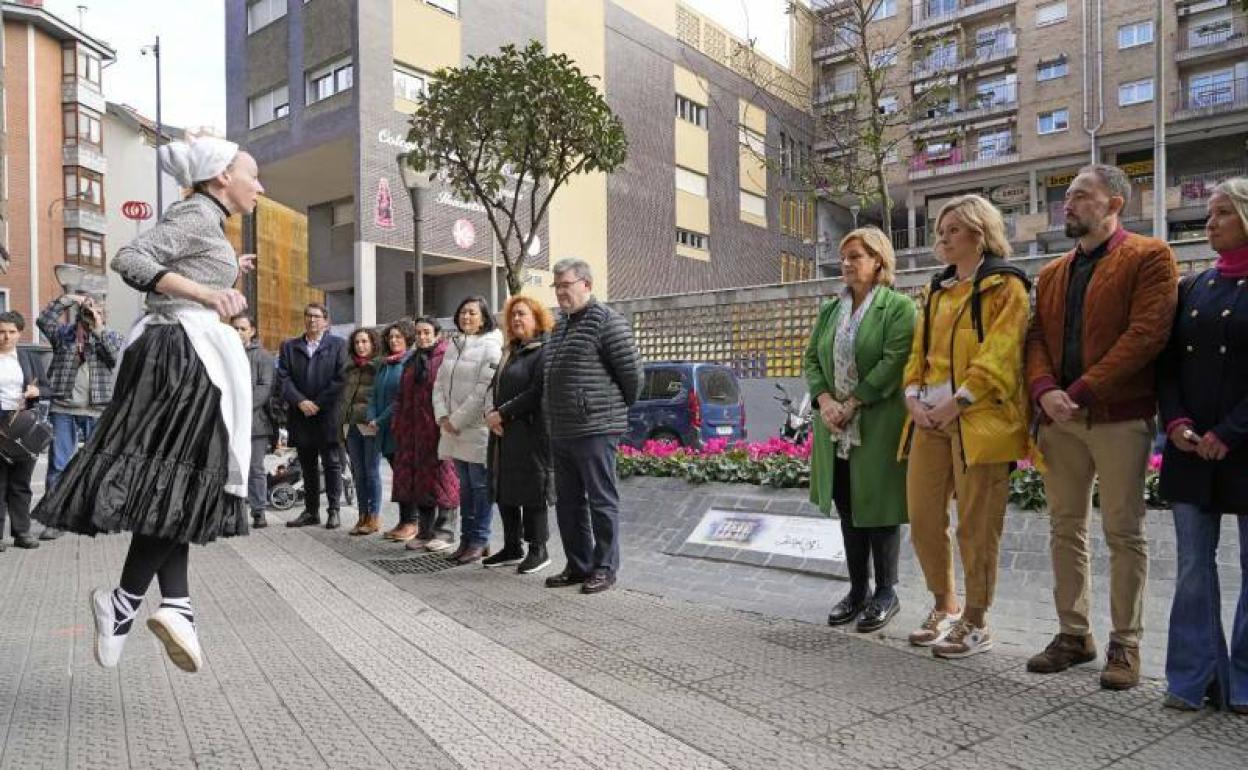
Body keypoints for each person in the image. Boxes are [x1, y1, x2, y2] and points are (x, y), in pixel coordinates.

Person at [33, 137, 262, 673]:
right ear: (222, 176)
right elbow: (130, 258)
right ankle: (129, 603)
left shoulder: (208, 222)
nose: (260, 185)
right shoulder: (197, 214)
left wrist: (224, 270)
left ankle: (172, 606)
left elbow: (178, 263)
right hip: (182, 357)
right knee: (180, 479)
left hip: (180, 354)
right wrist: (208, 294)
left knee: (174, 485)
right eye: (252, 174)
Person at [1024, 164, 1179, 691]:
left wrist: (1082, 391)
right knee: (1064, 527)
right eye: (1065, 196)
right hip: (1059, 422)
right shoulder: (1051, 273)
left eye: (1080, 196)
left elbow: (1146, 335)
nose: (1067, 204)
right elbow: (1036, 340)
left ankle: (1126, 643)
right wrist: (1045, 389)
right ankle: (1074, 635)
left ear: (1115, 203)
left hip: (1119, 416)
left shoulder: (1150, 257)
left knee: (1123, 532)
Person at [900, 194, 1031, 659]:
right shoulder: (937, 289)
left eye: (953, 229)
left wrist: (957, 403)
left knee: (978, 526)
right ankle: (944, 605)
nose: (943, 237)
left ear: (980, 232)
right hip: (927, 420)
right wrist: (912, 396)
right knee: (923, 517)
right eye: (941, 229)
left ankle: (976, 621)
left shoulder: (1007, 287)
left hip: (978, 421)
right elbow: (919, 352)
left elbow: (1002, 353)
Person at [1157, 178, 1248, 713]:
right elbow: (1167, 368)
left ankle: (1242, 682)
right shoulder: (1193, 287)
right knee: (1194, 564)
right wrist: (1177, 423)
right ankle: (1195, 676)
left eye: (1222, 214)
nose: (1210, 223)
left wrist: (1228, 432)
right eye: (1209, 215)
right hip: (1190, 449)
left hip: (1240, 446)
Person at [804, 228, 915, 633]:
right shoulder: (832, 310)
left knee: (880, 508)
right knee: (848, 507)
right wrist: (826, 402)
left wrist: (853, 402)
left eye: (856, 256)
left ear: (879, 261)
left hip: (877, 423)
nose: (847, 264)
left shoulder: (899, 307)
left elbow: (895, 359)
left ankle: (887, 592)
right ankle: (857, 590)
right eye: (844, 257)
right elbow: (812, 360)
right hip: (834, 427)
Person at [543, 258, 642, 594]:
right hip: (562, 429)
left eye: (565, 285)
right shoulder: (559, 326)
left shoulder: (608, 322)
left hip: (596, 428)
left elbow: (633, 378)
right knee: (568, 502)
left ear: (586, 284)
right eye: (556, 286)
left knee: (601, 500)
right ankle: (578, 564)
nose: (560, 292)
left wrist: (606, 412)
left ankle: (605, 567)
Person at [35, 292, 124, 540]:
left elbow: (115, 357)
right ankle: (54, 519)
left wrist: (98, 329)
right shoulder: (63, 335)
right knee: (59, 464)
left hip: (98, 408)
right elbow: (44, 320)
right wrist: (68, 298)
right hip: (63, 407)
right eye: (88, 310)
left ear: (104, 314)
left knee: (99, 464)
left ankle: (94, 517)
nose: (90, 315)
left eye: (97, 310)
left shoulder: (111, 336)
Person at [483, 295, 556, 574]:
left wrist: (503, 413)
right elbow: (493, 387)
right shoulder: (509, 351)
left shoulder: (545, 351)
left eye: (522, 314)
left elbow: (537, 392)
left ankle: (539, 549)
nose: (516, 319)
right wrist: (490, 414)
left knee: (532, 490)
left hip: (532, 433)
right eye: (512, 315)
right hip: (503, 433)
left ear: (537, 318)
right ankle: (512, 546)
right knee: (504, 488)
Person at [434, 296, 503, 564]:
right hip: (452, 429)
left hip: (475, 429)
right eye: (463, 312)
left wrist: (457, 420)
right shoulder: (453, 345)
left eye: (472, 313)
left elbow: (483, 391)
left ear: (484, 318)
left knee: (479, 488)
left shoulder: (491, 347)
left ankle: (480, 540)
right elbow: (439, 384)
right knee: (465, 489)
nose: (466, 317)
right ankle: (466, 539)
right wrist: (442, 415)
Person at [389, 317, 459, 551]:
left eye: (427, 332)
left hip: (437, 429)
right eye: (418, 333)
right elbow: (401, 395)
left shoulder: (445, 358)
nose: (422, 337)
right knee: (420, 482)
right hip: (412, 432)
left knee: (444, 480)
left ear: (437, 334)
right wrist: (397, 424)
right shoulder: (412, 360)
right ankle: (425, 530)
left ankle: (445, 531)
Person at [277, 302, 348, 530]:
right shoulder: (289, 346)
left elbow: (340, 378)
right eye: (308, 315)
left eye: (317, 316)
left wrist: (317, 403)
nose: (312, 320)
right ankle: (311, 511)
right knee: (307, 466)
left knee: (332, 464)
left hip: (327, 414)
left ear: (326, 322)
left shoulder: (338, 345)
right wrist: (301, 401)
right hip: (301, 415)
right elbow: (283, 379)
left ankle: (334, 511)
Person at [0, 311, 49, 551]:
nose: (5, 337)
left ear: (19, 333)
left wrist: (37, 393)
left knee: (21, 481)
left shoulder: (28, 358)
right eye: (1, 331)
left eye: (11, 332)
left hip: (24, 424)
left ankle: (22, 532)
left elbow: (48, 388)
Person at [368, 320, 417, 541]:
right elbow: (374, 394)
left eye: (398, 337)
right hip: (383, 430)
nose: (394, 340)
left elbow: (401, 399)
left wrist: (380, 418)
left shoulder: (409, 363)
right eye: (391, 337)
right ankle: (403, 520)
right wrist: (371, 416)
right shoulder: (385, 364)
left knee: (406, 477)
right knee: (398, 478)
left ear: (407, 339)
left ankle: (412, 522)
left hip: (401, 428)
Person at [230, 315, 275, 530]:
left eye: (242, 328)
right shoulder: (226, 353)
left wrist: (242, 409)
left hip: (255, 423)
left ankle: (259, 511)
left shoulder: (263, 357)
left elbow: (264, 388)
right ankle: (233, 512)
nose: (238, 332)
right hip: (229, 421)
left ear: (252, 331)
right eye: (235, 328)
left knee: (255, 468)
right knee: (232, 468)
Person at [340, 327, 382, 536]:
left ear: (373, 344)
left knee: (371, 471)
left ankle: (374, 516)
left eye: (365, 342)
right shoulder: (350, 368)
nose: (361, 346)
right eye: (357, 342)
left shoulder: (378, 367)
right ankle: (362, 515)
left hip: (369, 424)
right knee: (358, 473)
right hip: (351, 424)